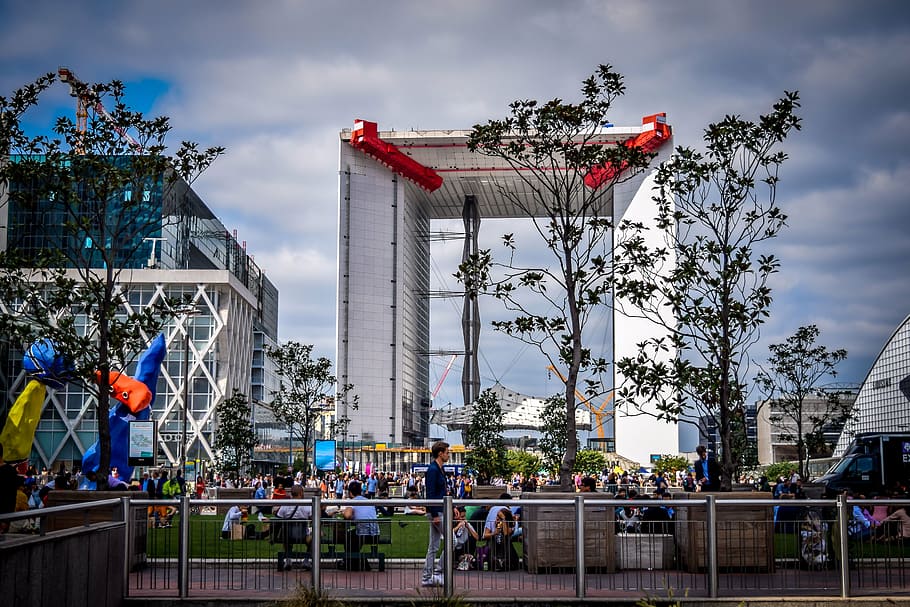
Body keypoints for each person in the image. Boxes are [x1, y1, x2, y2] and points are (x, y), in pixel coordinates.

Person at [422, 440, 448, 587]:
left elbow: (441, 491)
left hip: (439, 510)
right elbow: (431, 493)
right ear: (440, 453)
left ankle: (427, 577)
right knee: (452, 542)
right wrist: (435, 514)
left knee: (434, 546)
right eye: (447, 452)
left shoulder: (438, 469)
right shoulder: (433, 470)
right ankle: (437, 573)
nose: (448, 455)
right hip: (436, 512)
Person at [340, 480, 379, 571]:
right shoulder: (368, 501)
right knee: (352, 539)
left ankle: (353, 562)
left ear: (350, 492)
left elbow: (347, 515)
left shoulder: (352, 502)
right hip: (375, 533)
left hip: (363, 534)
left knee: (348, 538)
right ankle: (355, 562)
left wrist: (343, 512)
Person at [275, 485, 313, 570]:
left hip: (288, 536)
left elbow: (279, 517)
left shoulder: (286, 505)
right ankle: (306, 560)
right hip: (303, 536)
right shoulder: (307, 505)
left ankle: (288, 559)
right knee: (314, 537)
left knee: (285, 533)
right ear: (301, 493)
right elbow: (313, 518)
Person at [0, 444, 19, 533]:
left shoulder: (9, 472)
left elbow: (10, 497)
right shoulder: (10, 471)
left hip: (3, 516)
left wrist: (6, 520)